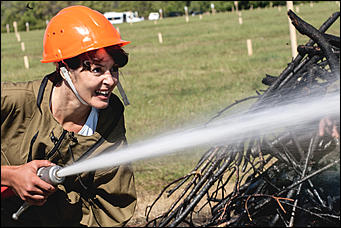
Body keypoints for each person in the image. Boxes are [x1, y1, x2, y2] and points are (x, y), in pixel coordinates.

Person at [1, 5, 136, 227]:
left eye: (113, 69)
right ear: (63, 68)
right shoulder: (13, 100)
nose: (111, 80)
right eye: (97, 70)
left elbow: (113, 207)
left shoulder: (109, 117)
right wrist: (10, 176)